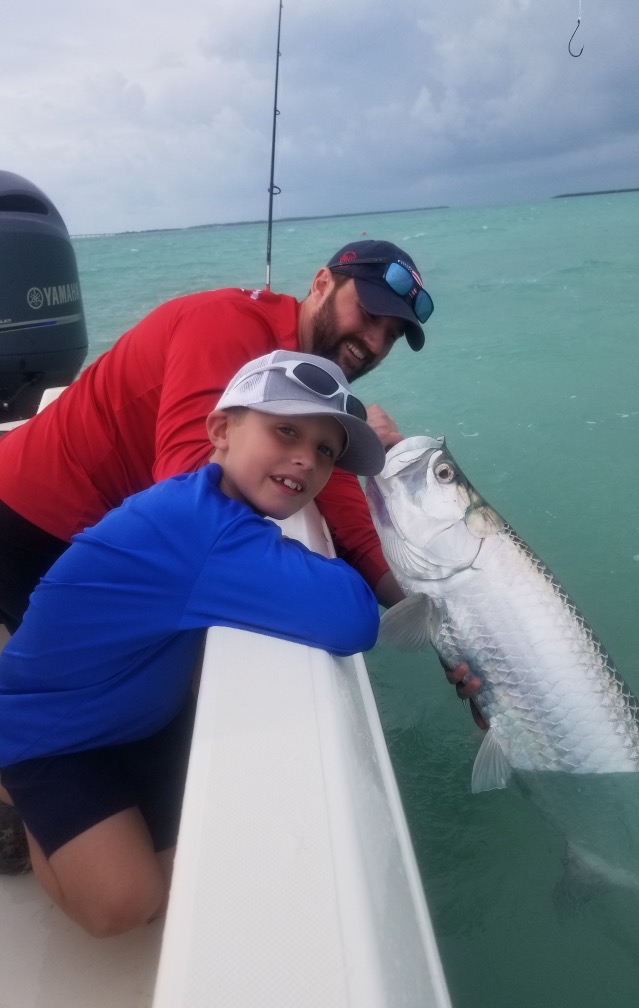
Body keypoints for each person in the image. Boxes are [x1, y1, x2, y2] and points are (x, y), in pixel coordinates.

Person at [0, 350, 385, 937]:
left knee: (202, 865)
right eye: (286, 430)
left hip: (129, 715)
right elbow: (356, 617)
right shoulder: (201, 533)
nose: (306, 458)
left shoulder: (204, 500)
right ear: (220, 431)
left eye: (326, 451)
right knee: (127, 903)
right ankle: (17, 800)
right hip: (46, 730)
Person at [0, 239, 431, 634]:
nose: (374, 342)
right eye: (369, 314)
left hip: (107, 530)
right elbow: (190, 489)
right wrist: (318, 581)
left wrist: (438, 621)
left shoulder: (307, 381)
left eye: (391, 335)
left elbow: (343, 508)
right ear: (321, 284)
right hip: (35, 519)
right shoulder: (226, 326)